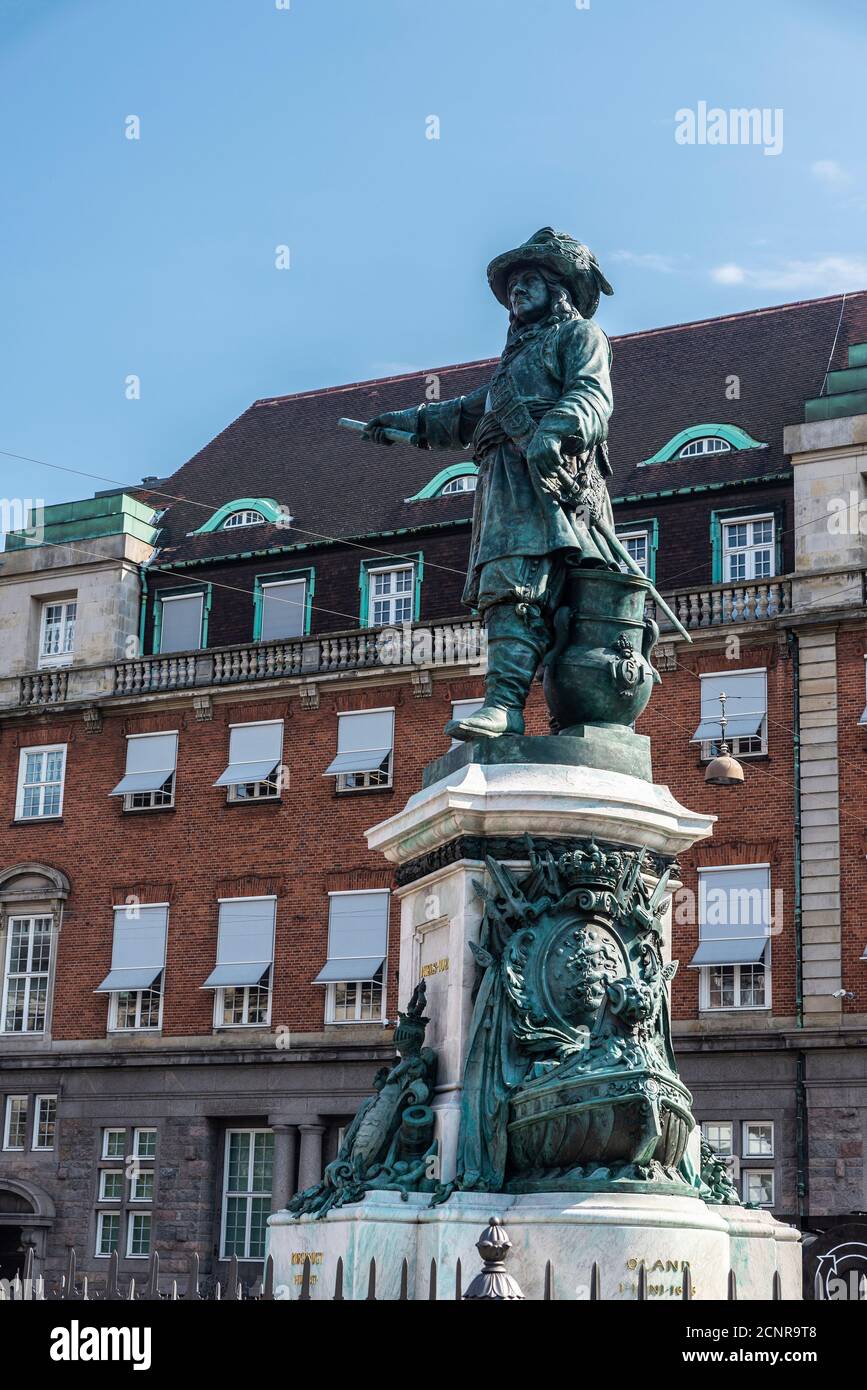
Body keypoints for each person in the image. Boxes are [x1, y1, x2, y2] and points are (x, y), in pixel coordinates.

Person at [363, 227, 618, 740]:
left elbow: (593, 397)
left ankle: (534, 709)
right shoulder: (512, 367)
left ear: (557, 287)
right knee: (510, 588)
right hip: (505, 482)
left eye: (528, 280)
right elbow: (459, 414)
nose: (517, 291)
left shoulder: (578, 337)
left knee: (537, 590)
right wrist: (401, 423)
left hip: (552, 481)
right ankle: (506, 705)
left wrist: (555, 431)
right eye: (512, 285)